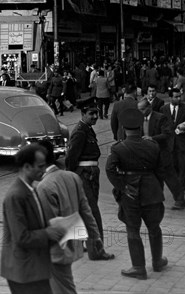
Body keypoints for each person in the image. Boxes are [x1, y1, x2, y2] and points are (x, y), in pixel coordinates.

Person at [36, 139, 107, 294]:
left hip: (54, 251)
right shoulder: (72, 177)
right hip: (71, 245)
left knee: (63, 289)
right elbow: (86, 212)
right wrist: (95, 238)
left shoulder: (44, 187)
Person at [106, 107, 167, 280]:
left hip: (130, 193)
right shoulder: (152, 145)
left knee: (133, 230)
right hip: (152, 191)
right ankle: (157, 262)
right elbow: (162, 169)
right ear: (140, 127)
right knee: (154, 228)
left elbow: (110, 169)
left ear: (124, 129)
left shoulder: (119, 148)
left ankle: (139, 268)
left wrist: (123, 187)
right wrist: (157, 187)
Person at [0, 143, 67, 293]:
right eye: (40, 166)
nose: (44, 170)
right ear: (26, 167)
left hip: (36, 268)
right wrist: (48, 233)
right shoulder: (16, 196)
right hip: (24, 272)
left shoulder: (31, 189)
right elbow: (21, 237)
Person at [65, 98, 114, 261]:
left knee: (84, 211)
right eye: (91, 113)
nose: (95, 117)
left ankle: (83, 244)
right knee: (92, 212)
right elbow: (71, 158)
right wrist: (72, 178)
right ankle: (97, 250)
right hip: (84, 175)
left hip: (89, 174)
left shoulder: (87, 129)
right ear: (83, 114)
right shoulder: (80, 131)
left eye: (96, 113)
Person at [159, 87, 185, 209]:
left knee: (182, 167)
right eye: (176, 97)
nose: (178, 98)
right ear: (170, 98)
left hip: (182, 144)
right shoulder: (163, 109)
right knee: (172, 167)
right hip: (169, 144)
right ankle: (177, 188)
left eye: (179, 96)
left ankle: (180, 194)